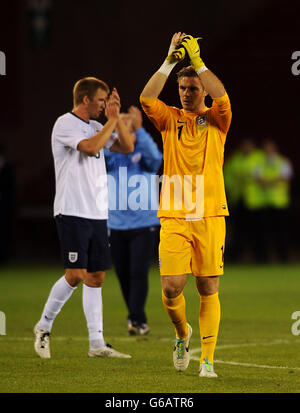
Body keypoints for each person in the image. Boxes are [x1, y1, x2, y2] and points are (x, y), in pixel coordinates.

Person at [140, 32, 232, 377]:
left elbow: (222, 96)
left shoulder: (218, 120)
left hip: (209, 213)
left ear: (203, 91)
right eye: (182, 88)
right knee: (170, 287)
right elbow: (146, 97)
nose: (187, 93)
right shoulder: (169, 119)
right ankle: (182, 334)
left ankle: (207, 358)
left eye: (193, 88)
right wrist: (169, 61)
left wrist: (198, 63)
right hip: (175, 214)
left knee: (208, 287)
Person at [34, 77, 134, 359]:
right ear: (85, 99)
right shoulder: (65, 123)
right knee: (75, 274)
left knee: (96, 276)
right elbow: (90, 148)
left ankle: (96, 343)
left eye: (106, 101)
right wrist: (113, 122)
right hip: (72, 209)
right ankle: (43, 326)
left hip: (96, 212)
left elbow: (126, 148)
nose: (104, 106)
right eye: (101, 100)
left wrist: (115, 120)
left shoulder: (97, 126)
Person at [104, 106, 162, 335]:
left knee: (138, 271)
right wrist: (115, 129)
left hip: (144, 222)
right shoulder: (112, 151)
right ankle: (135, 316)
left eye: (130, 125)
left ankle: (137, 319)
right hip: (115, 223)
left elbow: (156, 160)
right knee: (122, 273)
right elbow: (101, 157)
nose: (125, 129)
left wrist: (141, 131)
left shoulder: (144, 150)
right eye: (122, 125)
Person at [0, 143, 15, 264]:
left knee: (4, 232)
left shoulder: (8, 168)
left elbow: (11, 189)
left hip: (4, 207)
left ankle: (5, 258)